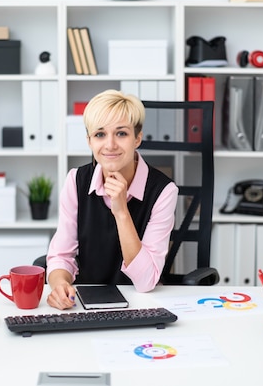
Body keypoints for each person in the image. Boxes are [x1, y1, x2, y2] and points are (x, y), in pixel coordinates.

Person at [46, 89, 179, 310]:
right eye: (100, 134)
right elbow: (61, 255)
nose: (110, 145)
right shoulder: (75, 181)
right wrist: (59, 284)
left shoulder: (163, 191)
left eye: (121, 133)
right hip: (85, 304)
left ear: (137, 138)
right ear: (89, 141)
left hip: (140, 306)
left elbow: (146, 282)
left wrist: (121, 211)